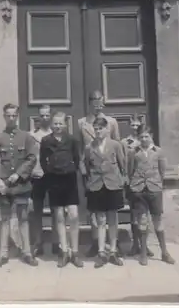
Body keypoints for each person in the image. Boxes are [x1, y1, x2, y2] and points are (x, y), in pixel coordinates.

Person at [0, 103, 39, 269]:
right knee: (4, 219)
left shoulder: (26, 137)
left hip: (21, 184)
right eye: (8, 115)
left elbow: (31, 158)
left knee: (23, 218)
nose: (11, 118)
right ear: (4, 116)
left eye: (13, 115)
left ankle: (27, 252)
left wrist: (19, 174)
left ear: (17, 116)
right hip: (4, 186)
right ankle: (2, 254)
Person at [77, 90, 122, 258]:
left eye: (99, 101)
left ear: (103, 102)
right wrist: (83, 171)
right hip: (91, 169)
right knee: (95, 211)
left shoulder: (111, 122)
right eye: (94, 101)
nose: (97, 104)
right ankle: (97, 242)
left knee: (111, 211)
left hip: (109, 171)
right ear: (89, 103)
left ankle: (113, 244)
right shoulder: (82, 123)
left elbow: (117, 146)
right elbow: (81, 149)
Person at [40, 112, 83, 268]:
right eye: (55, 124)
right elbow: (42, 160)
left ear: (65, 125)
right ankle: (64, 251)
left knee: (73, 215)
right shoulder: (46, 141)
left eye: (60, 123)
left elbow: (77, 160)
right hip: (54, 180)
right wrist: (50, 171)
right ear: (52, 125)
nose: (58, 126)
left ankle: (75, 251)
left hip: (69, 180)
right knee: (59, 216)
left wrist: (70, 169)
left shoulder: (72, 140)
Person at [128, 124, 175, 266]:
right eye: (141, 137)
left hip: (154, 189)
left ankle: (164, 252)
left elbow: (162, 171)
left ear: (151, 137)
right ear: (138, 138)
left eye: (146, 136)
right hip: (139, 190)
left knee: (157, 221)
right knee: (142, 220)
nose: (143, 139)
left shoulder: (158, 152)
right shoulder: (133, 153)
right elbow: (130, 170)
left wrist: (156, 184)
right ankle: (143, 252)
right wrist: (134, 186)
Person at [84, 117, 127, 268]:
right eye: (95, 129)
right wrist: (91, 182)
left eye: (101, 128)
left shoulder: (115, 145)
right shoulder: (89, 147)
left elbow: (123, 164)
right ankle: (101, 252)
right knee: (100, 220)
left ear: (107, 130)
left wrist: (121, 181)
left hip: (112, 185)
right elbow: (87, 167)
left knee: (113, 219)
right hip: (97, 185)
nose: (98, 131)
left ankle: (113, 251)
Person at [121, 114, 154, 258]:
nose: (135, 128)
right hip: (131, 180)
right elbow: (122, 161)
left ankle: (145, 245)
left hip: (145, 182)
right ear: (128, 126)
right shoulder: (125, 142)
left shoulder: (145, 141)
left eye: (137, 125)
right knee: (134, 214)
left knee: (145, 214)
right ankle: (135, 244)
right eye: (132, 125)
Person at [29, 105, 59, 257]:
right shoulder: (32, 135)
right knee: (37, 210)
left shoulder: (56, 135)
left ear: (51, 117)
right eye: (42, 115)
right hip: (38, 175)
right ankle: (38, 243)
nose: (45, 118)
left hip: (53, 175)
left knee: (56, 209)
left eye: (47, 115)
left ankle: (56, 242)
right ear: (38, 117)